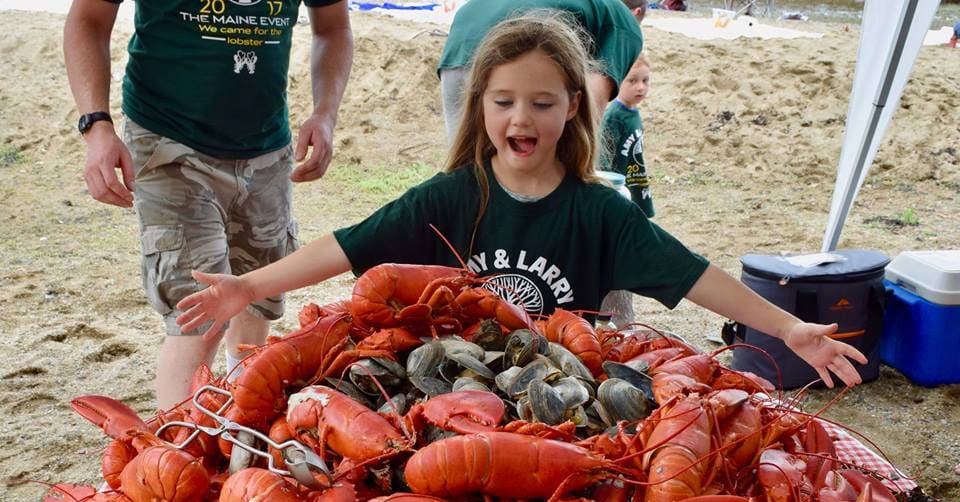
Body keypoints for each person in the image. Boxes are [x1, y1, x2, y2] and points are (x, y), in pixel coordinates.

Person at [175, 12, 867, 389]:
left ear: (575, 107)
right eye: (504, 101)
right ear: (481, 106)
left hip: (568, 397)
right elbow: (350, 243)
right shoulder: (451, 196)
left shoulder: (602, 213)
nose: (521, 119)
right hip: (454, 386)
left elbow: (695, 277)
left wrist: (787, 328)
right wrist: (248, 286)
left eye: (542, 102)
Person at [63, 0, 354, 411]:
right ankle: (178, 454)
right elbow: (88, 18)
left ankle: (243, 407)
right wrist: (96, 125)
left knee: (261, 294)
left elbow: (333, 26)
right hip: (169, 141)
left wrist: (325, 113)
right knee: (199, 315)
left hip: (266, 143)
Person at [437, 0, 646, 144]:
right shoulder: (628, 29)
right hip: (512, 53)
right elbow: (591, 109)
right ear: (637, 13)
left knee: (465, 167)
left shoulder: (596, 9)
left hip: (458, 49)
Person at [597, 52, 653, 328]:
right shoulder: (614, 116)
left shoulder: (634, 114)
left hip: (633, 187)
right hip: (617, 192)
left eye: (645, 81)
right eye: (632, 81)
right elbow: (604, 160)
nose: (640, 87)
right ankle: (613, 319)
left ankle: (621, 317)